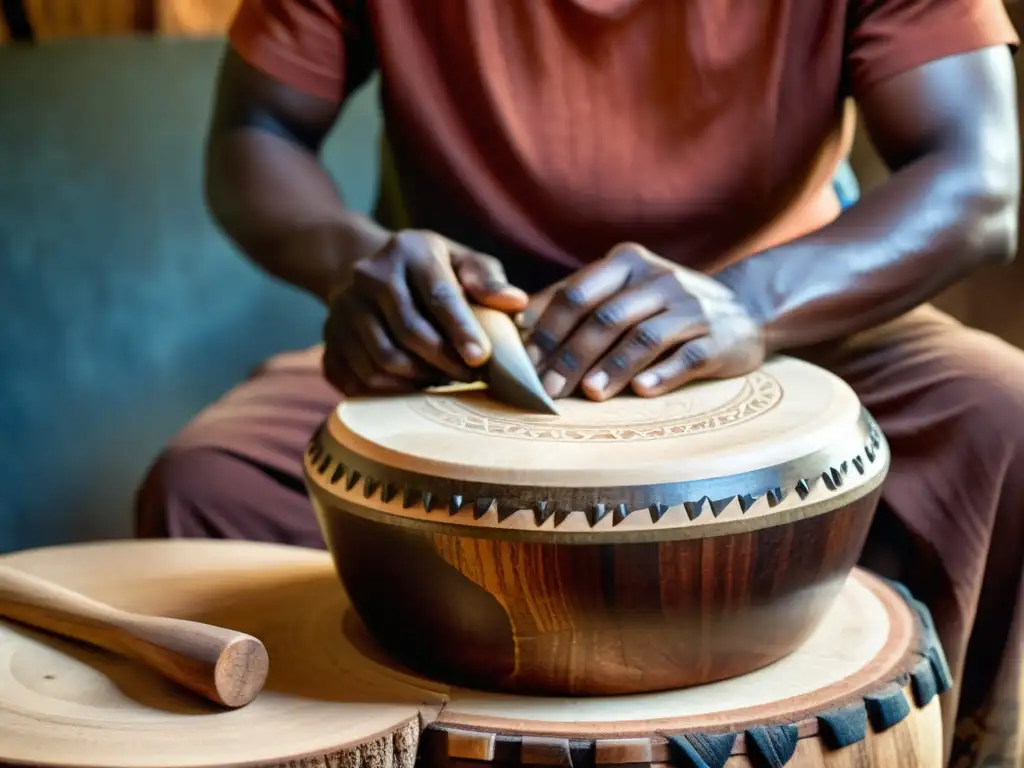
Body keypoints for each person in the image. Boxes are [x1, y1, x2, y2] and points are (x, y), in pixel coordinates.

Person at [134, 1, 1024, 765]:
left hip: (792, 321)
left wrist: (749, 304)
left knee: (1005, 418)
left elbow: (978, 179)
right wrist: (357, 261)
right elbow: (258, 131)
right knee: (210, 490)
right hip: (470, 357)